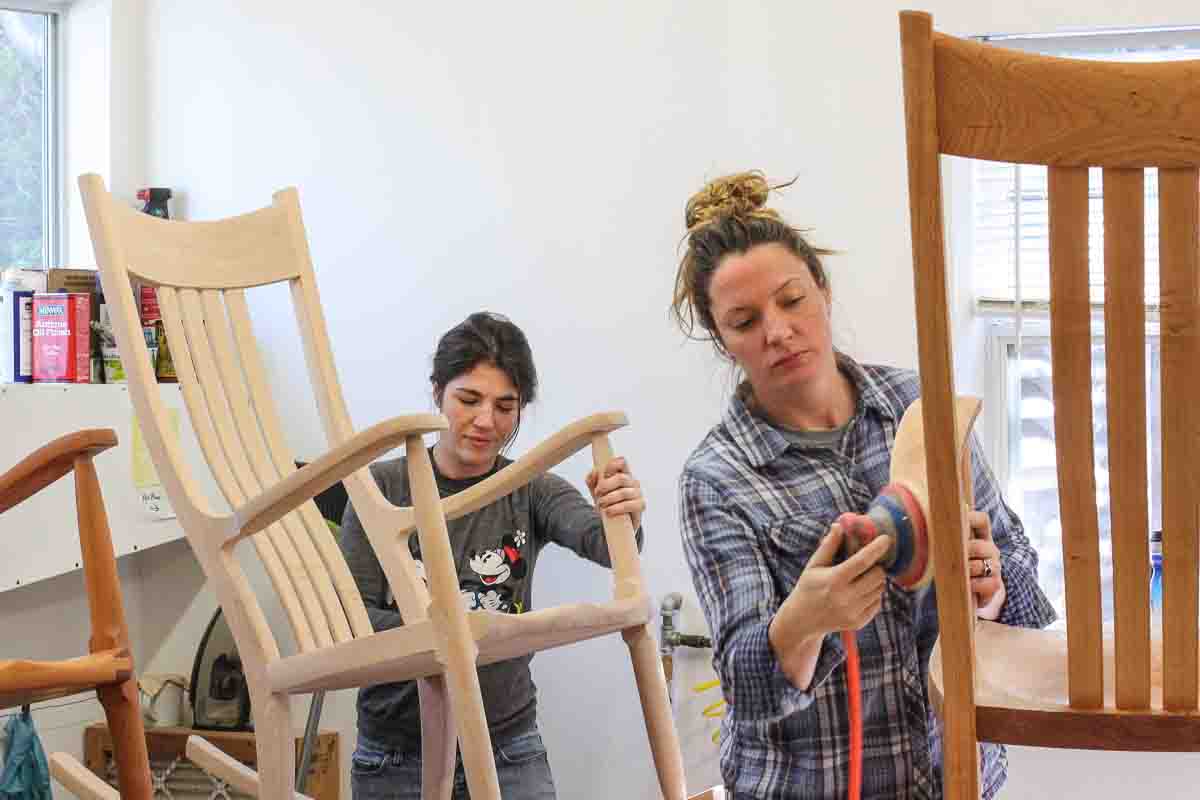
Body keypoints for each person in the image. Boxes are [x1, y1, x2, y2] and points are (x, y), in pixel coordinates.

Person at [673, 172, 1055, 799]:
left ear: (822, 290)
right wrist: (804, 622)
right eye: (744, 321)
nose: (776, 330)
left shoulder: (922, 409)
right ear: (722, 339)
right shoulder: (717, 479)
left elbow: (1022, 586)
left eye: (791, 300)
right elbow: (746, 684)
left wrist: (988, 584)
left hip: (956, 780)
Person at [339, 311, 646, 800]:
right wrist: (450, 637)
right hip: (397, 755)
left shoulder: (530, 487)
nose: (487, 421)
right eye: (469, 399)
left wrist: (621, 513)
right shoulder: (380, 489)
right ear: (437, 390)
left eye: (506, 406)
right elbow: (349, 619)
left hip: (509, 746)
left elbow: (606, 544)